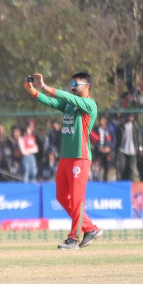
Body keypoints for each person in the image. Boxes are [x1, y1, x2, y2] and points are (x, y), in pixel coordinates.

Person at [25, 72, 101, 249]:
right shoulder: (70, 105)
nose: (72, 86)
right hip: (65, 157)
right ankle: (90, 228)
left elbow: (66, 96)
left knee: (76, 199)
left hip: (80, 157)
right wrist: (33, 91)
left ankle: (73, 238)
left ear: (87, 86)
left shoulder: (89, 104)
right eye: (71, 83)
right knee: (61, 197)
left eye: (76, 83)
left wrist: (45, 86)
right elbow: (50, 102)